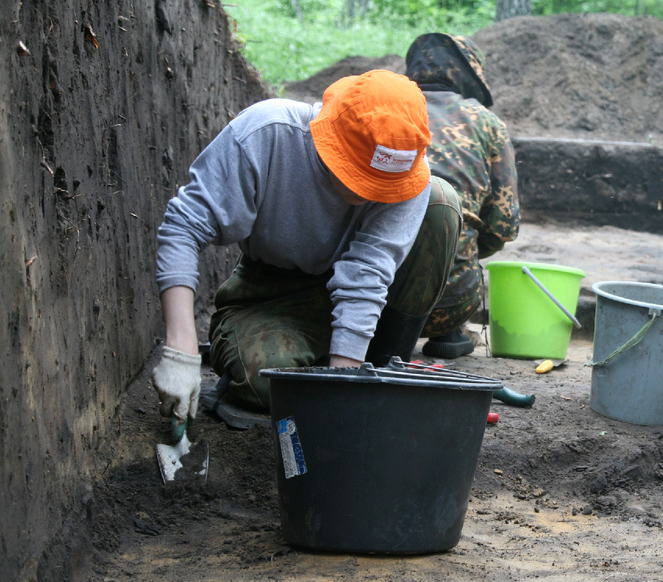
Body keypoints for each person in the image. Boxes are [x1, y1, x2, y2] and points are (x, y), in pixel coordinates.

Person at [151, 70, 462, 421]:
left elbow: (368, 274)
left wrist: (344, 388)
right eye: (360, 177)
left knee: (441, 203)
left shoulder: (405, 170)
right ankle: (319, 364)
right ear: (331, 139)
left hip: (370, 303)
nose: (367, 196)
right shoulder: (266, 134)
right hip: (273, 295)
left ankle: (381, 366)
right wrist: (181, 350)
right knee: (266, 380)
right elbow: (183, 226)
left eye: (381, 186)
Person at [404, 33, 520, 359]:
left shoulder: (382, 109)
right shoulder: (488, 124)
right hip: (450, 302)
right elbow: (503, 227)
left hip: (366, 298)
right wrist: (455, 253)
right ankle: (449, 332)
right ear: (469, 74)